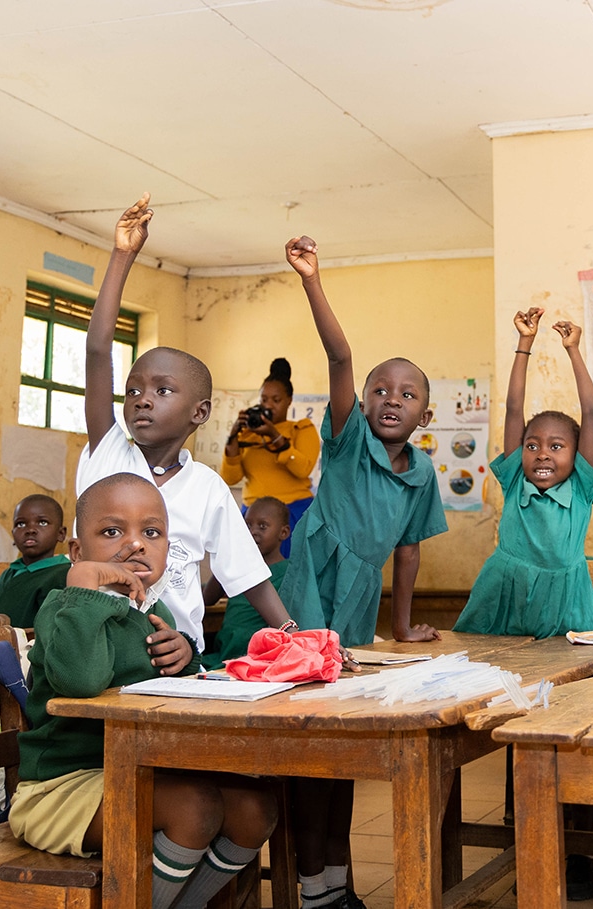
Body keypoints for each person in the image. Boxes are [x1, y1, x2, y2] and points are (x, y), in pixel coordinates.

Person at [8, 473, 277, 909]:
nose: (135, 544)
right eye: (112, 532)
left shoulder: (152, 611)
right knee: (194, 808)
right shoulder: (64, 606)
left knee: (255, 809)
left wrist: (185, 656)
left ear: (168, 549)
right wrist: (84, 585)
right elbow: (81, 682)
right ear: (77, 551)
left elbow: (176, 692)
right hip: (60, 790)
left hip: (134, 771)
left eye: (151, 532)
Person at [280, 234, 446, 909]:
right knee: (303, 741)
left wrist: (402, 626)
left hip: (358, 600)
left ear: (424, 415)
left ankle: (333, 885)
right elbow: (340, 355)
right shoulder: (348, 440)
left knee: (340, 746)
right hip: (310, 585)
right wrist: (313, 279)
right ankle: (312, 880)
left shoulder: (425, 470)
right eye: (380, 388)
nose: (388, 397)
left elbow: (408, 550)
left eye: (405, 393)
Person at [77, 193, 295, 652]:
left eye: (161, 391)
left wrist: (294, 635)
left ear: (199, 412)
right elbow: (98, 351)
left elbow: (248, 575)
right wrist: (122, 255)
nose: (141, 400)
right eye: (133, 389)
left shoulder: (209, 488)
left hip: (176, 651)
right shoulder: (108, 449)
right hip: (97, 643)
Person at [453, 307, 593, 639]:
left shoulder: (581, 486)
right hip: (506, 590)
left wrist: (573, 350)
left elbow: (592, 411)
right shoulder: (514, 480)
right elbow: (513, 408)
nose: (542, 455)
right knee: (487, 661)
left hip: (566, 597)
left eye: (556, 446)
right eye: (532, 445)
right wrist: (525, 342)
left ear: (577, 453)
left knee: (574, 671)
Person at [221, 357, 319, 557]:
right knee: (248, 573)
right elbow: (230, 478)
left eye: (276, 400)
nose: (269, 406)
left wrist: (275, 435)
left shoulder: (301, 429)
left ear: (289, 400)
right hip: (253, 514)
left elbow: (302, 469)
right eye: (264, 400)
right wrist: (233, 436)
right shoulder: (249, 433)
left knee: (290, 572)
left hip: (292, 513)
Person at [201, 496, 291, 669]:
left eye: (262, 526)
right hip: (223, 655)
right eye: (247, 525)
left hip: (257, 659)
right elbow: (206, 599)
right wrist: (226, 562)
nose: (253, 532)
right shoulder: (237, 568)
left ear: (283, 533)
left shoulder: (289, 572)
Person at [0, 494, 70, 630]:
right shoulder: (9, 573)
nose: (30, 530)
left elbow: (55, 628)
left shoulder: (62, 574)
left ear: (61, 534)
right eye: (21, 524)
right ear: (13, 534)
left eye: (42, 522)